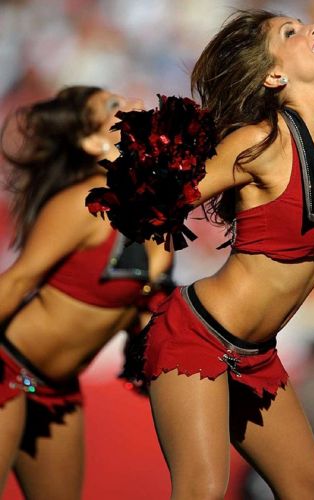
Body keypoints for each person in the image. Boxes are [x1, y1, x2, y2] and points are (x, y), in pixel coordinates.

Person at [88, 10, 314, 500]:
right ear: (274, 76)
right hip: (197, 337)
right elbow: (156, 197)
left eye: (303, 23)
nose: (312, 28)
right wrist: (145, 272)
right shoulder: (260, 142)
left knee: (311, 485)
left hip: (258, 355)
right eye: (290, 32)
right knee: (203, 490)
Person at [0, 85, 173, 499]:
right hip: (7, 368)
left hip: (58, 390)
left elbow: (140, 305)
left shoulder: (157, 206)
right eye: (114, 106)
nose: (132, 103)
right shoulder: (84, 202)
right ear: (93, 142)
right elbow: (17, 281)